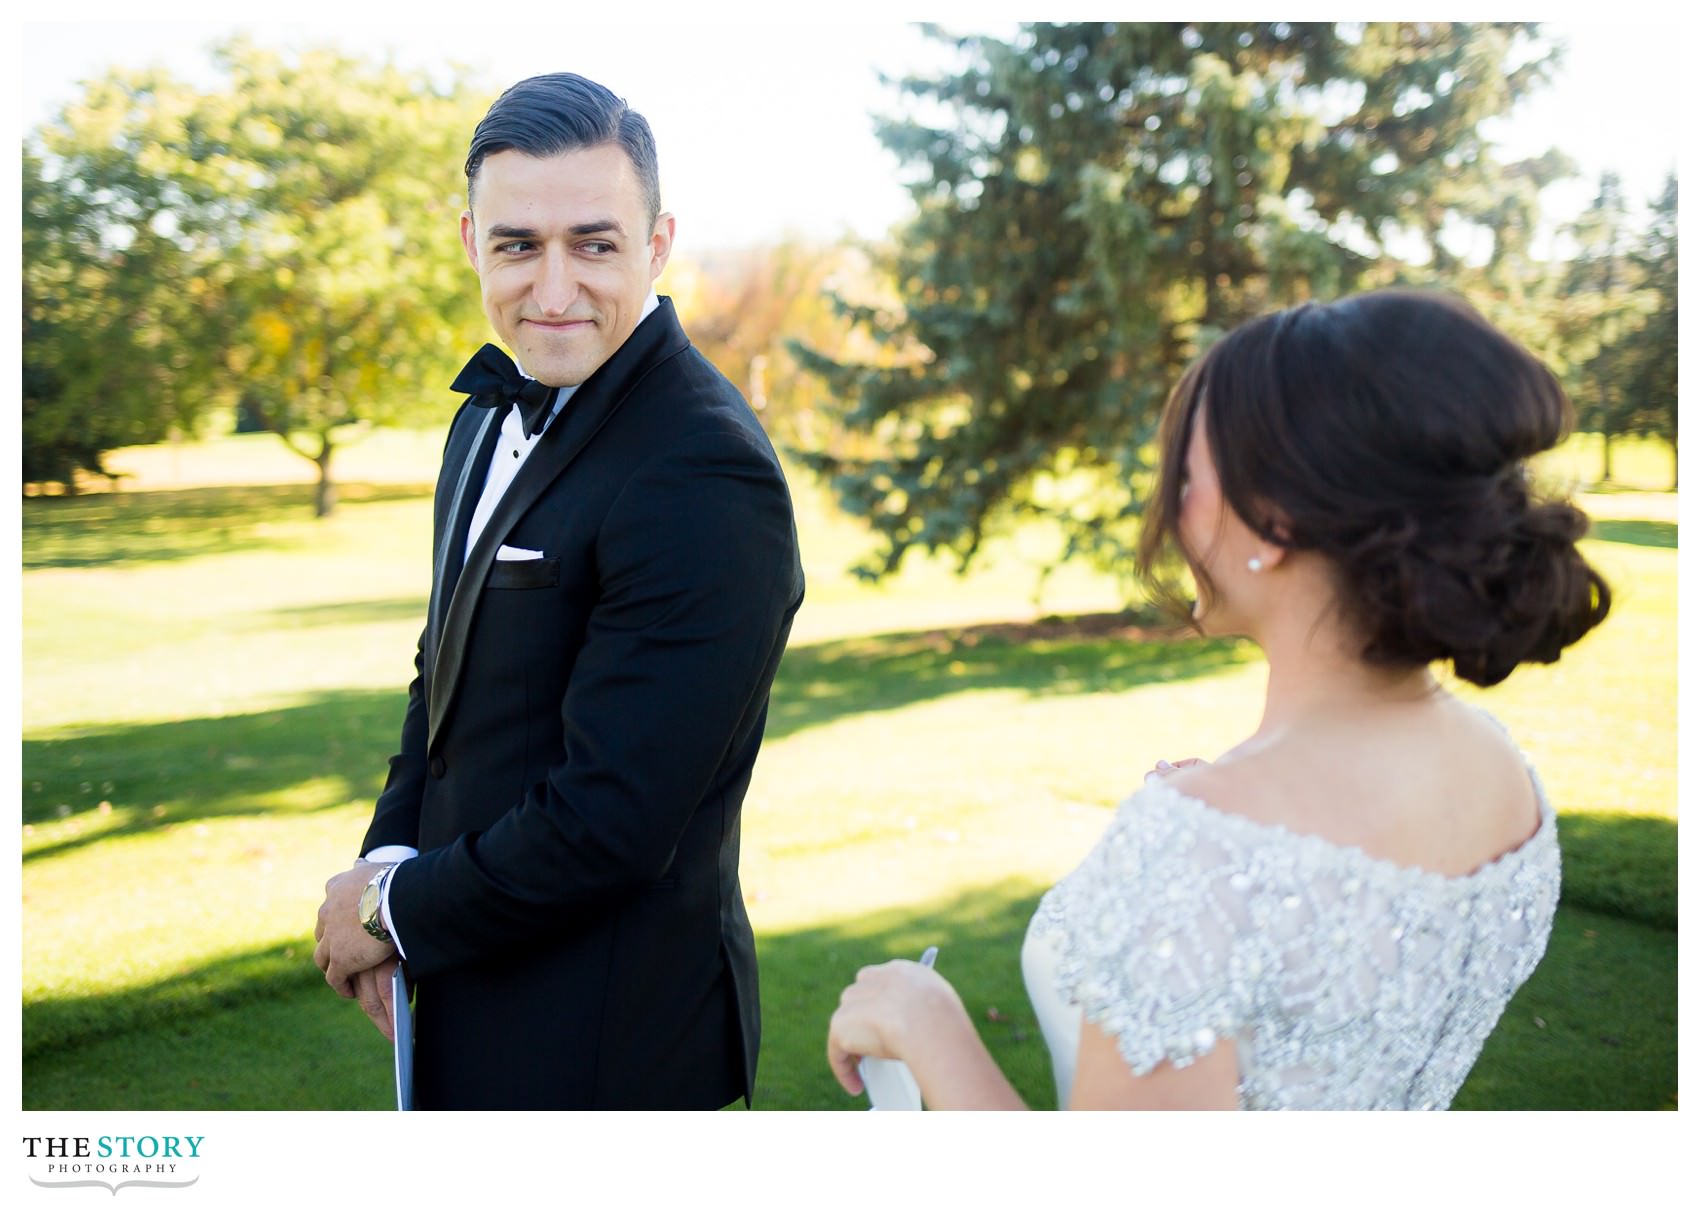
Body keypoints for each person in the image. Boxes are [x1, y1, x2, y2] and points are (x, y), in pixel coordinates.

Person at [826, 289, 1609, 1110]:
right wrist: (1215, 830)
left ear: (1271, 521)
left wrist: (931, 1028)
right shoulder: (1502, 770)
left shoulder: (1197, 847)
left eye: (1185, 475)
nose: (1166, 507)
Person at [311, 72, 804, 1110]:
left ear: (658, 245)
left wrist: (387, 909)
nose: (552, 290)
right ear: (469, 242)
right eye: (517, 246)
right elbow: (440, 678)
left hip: (604, 1046)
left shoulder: (702, 469)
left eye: (594, 243)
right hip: (457, 996)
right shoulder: (483, 417)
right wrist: (391, 854)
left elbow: (610, 821)